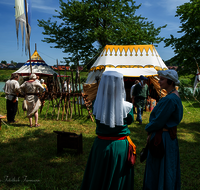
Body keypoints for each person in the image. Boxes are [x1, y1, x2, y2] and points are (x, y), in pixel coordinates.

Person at [80, 71, 136, 190]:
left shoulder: (97, 104)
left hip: (101, 146)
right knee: (118, 178)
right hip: (120, 147)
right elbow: (130, 121)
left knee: (98, 176)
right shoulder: (128, 107)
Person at [143, 69, 183, 190]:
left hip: (163, 139)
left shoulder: (169, 99)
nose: (159, 81)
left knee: (161, 168)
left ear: (170, 81)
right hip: (168, 138)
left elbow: (158, 121)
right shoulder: (175, 95)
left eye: (162, 79)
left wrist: (148, 128)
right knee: (168, 166)